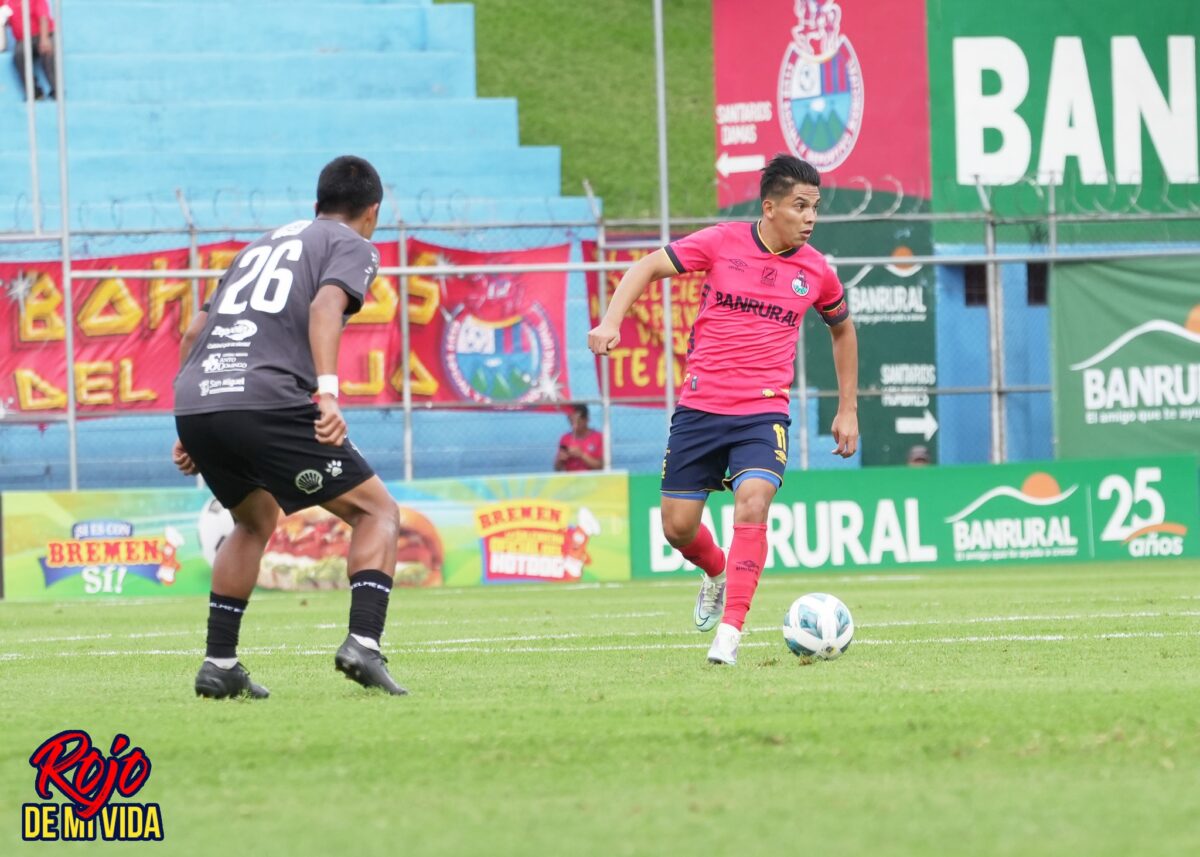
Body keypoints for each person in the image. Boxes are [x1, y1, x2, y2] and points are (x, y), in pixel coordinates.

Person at [588, 154, 859, 666]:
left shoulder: (817, 272)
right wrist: (609, 323)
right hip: (700, 409)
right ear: (770, 206)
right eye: (800, 207)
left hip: (762, 413)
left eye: (816, 208)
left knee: (753, 502)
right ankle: (714, 571)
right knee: (677, 528)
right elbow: (646, 267)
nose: (810, 218)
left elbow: (842, 328)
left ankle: (730, 634)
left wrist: (848, 408)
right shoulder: (721, 242)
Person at [173, 155, 407, 698]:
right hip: (268, 399)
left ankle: (220, 664)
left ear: (316, 204)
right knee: (378, 511)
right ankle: (364, 644)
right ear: (372, 212)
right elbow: (326, 309)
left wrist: (188, 427)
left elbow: (193, 333)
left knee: (253, 521)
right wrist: (327, 391)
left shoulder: (255, 246)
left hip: (201, 398)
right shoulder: (351, 243)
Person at [1, 0, 56, 101]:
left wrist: (44, 39)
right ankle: (35, 92)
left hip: (43, 34)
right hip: (24, 39)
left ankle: (56, 89)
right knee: (19, 55)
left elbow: (43, 17)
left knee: (48, 53)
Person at [554, 403, 603, 472]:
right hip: (571, 480)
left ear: (587, 420)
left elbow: (601, 467)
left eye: (578, 422)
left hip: (592, 480)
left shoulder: (599, 437)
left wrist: (581, 455)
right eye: (571, 422)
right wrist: (560, 460)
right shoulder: (565, 438)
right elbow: (557, 468)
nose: (574, 426)